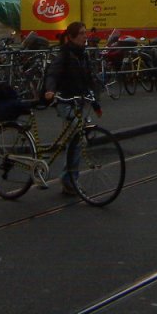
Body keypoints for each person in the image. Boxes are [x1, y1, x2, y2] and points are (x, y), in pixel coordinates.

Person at [43, 21, 102, 194]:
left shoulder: (82, 55)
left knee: (75, 140)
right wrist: (50, 90)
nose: (85, 36)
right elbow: (53, 73)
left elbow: (88, 77)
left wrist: (95, 100)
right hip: (65, 101)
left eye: (85, 33)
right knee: (76, 138)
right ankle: (69, 179)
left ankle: (69, 178)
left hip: (78, 102)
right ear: (72, 37)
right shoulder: (65, 55)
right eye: (82, 33)